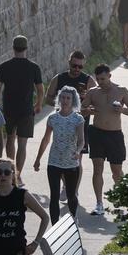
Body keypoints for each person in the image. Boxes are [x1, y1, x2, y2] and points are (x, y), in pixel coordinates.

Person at [82, 65, 128, 216]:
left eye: (103, 79)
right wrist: (88, 111)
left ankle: (122, 199)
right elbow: (82, 109)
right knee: (97, 168)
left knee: (117, 172)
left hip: (115, 135)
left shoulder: (121, 90)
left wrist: (122, 110)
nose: (100, 82)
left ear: (110, 76)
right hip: (97, 133)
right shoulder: (93, 92)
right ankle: (99, 203)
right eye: (98, 79)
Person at [0, 35, 43, 186]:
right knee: (22, 144)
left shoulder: (4, 66)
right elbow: (40, 90)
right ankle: (18, 175)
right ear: (26, 48)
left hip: (9, 109)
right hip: (26, 110)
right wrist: (38, 104)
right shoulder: (34, 67)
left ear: (13, 48)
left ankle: (10, 171)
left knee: (10, 138)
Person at [45, 50, 96, 192]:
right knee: (61, 156)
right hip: (61, 123)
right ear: (69, 63)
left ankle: (74, 190)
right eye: (74, 65)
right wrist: (61, 105)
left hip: (80, 123)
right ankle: (66, 185)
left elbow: (96, 101)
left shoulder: (88, 80)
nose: (77, 69)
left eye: (80, 67)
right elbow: (48, 98)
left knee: (77, 158)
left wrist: (86, 105)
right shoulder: (59, 78)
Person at [34, 86, 85, 224]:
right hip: (54, 161)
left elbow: (81, 140)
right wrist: (38, 159)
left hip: (71, 162)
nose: (65, 100)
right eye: (63, 97)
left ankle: (73, 220)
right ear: (59, 99)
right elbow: (46, 139)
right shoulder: (52, 118)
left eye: (68, 98)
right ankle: (55, 226)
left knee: (71, 195)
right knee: (54, 195)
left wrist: (78, 151)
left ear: (73, 100)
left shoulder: (78, 119)